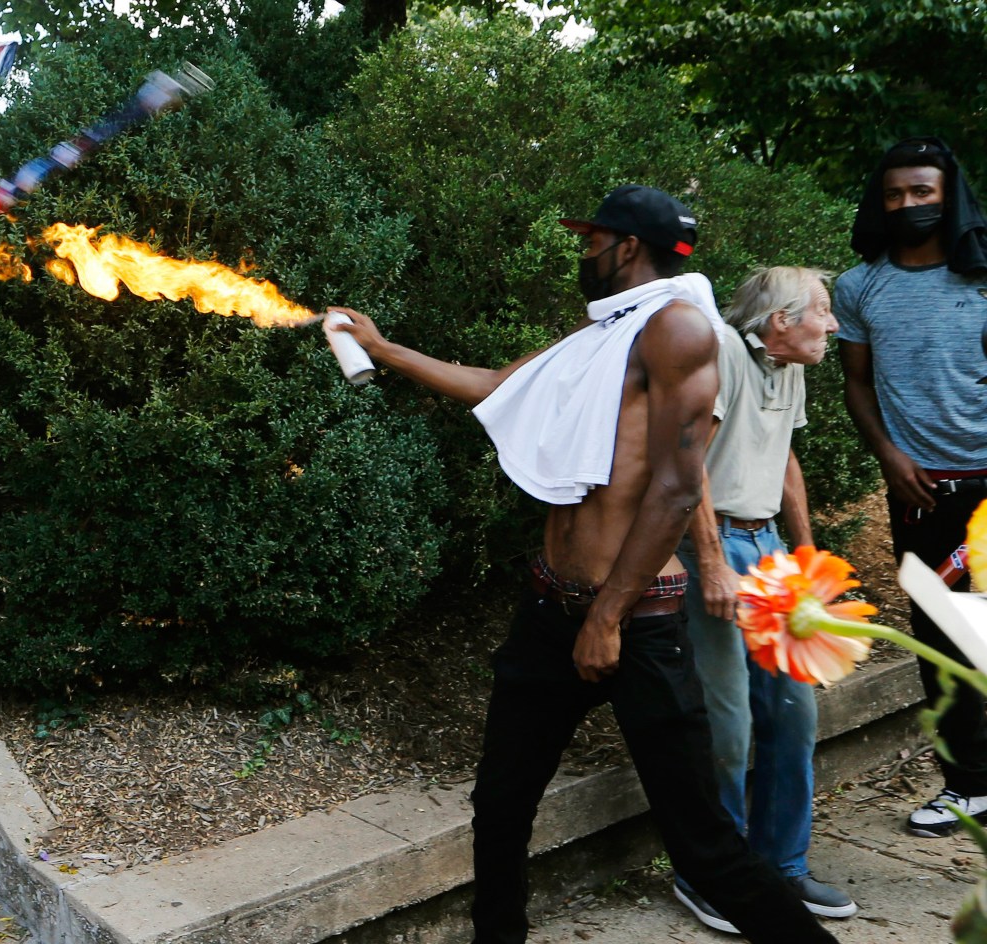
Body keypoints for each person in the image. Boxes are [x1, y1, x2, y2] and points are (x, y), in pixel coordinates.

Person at [331, 185, 839, 944]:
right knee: (501, 807)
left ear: (626, 246)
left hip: (635, 624)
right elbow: (499, 385)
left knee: (705, 844)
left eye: (590, 241)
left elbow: (674, 489)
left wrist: (606, 617)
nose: (583, 254)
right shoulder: (607, 333)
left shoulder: (679, 331)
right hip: (549, 608)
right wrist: (382, 349)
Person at [672, 266, 855, 931]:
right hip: (711, 543)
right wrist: (714, 561)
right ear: (781, 321)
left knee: (793, 710)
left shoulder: (791, 364)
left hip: (767, 544)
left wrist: (806, 559)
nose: (832, 325)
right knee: (729, 723)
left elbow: (783, 459)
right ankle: (710, 875)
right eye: (823, 312)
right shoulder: (722, 348)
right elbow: (688, 458)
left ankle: (781, 868)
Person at [836, 137, 987, 838]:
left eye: (923, 192)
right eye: (896, 194)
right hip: (919, 492)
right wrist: (889, 456)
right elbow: (857, 384)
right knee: (942, 634)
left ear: (948, 194)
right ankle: (968, 788)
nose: (909, 205)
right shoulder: (859, 287)